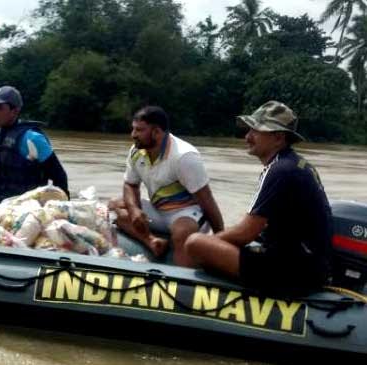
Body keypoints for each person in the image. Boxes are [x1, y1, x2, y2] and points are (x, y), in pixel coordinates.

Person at [185, 101, 332, 292]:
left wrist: (213, 242)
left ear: (278, 138)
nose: (247, 136)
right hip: (310, 265)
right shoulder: (296, 164)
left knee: (195, 243)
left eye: (255, 131)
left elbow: (247, 232)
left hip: (296, 271)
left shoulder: (280, 171)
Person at [109, 106, 224, 267]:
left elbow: (207, 201)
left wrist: (221, 238)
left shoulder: (184, 157)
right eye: (133, 129)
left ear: (156, 132)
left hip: (187, 212)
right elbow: (130, 184)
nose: (133, 135)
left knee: (181, 232)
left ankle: (182, 279)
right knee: (115, 206)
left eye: (139, 130)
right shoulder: (136, 151)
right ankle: (152, 242)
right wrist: (134, 210)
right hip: (158, 209)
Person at [0, 86, 68, 217]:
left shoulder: (33, 138)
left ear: (14, 111)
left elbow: (59, 177)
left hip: (25, 205)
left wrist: (60, 211)